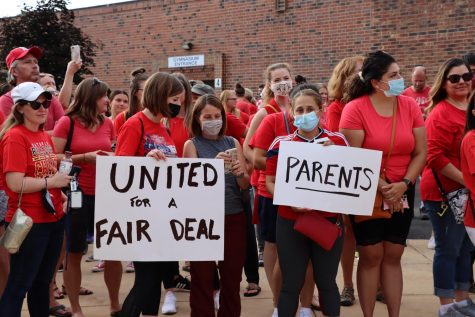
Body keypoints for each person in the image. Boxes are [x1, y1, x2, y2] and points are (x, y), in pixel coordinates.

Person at [340, 50, 427, 317]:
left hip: (402, 187)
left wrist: (404, 183)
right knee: (370, 256)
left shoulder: (409, 106)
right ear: (376, 82)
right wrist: (383, 187)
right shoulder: (355, 109)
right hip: (368, 189)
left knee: (393, 254)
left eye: (400, 73)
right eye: (395, 75)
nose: (401, 79)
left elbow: (421, 151)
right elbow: (352, 157)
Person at [266, 88, 348, 317]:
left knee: (327, 282)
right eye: (300, 110)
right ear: (292, 113)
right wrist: (288, 199)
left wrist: (338, 157)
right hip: (291, 221)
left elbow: (349, 182)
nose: (305, 114)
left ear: (320, 110)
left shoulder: (338, 141)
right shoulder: (281, 144)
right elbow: (270, 182)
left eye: (310, 109)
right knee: (291, 283)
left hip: (328, 221)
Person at [0, 82, 72, 316]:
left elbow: (47, 172)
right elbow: (15, 183)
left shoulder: (42, 134)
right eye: (35, 104)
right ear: (20, 108)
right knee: (20, 285)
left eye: (46, 102)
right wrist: (53, 183)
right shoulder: (14, 137)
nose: (43, 108)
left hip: (52, 218)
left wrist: (58, 193)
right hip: (30, 223)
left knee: (42, 284)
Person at [116, 72, 184, 317]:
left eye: (180, 100)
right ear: (159, 95)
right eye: (174, 98)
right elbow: (119, 169)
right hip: (141, 215)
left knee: (153, 279)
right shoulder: (135, 124)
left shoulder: (163, 127)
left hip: (162, 214)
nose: (178, 105)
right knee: (146, 280)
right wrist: (143, 160)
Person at [52, 77, 121, 317]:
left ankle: (115, 304)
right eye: (105, 95)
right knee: (75, 251)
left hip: (107, 194)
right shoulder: (66, 123)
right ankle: (77, 308)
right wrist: (84, 157)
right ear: (91, 98)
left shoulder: (108, 123)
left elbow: (112, 151)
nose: (108, 100)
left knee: (113, 250)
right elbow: (53, 158)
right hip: (76, 192)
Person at [183, 94, 249, 317]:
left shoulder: (233, 142)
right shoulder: (191, 145)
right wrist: (212, 166)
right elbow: (190, 183)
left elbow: (245, 183)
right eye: (207, 116)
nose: (213, 120)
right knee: (202, 276)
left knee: (231, 278)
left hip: (233, 217)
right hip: (202, 219)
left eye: (217, 116)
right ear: (197, 119)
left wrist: (240, 174)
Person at [419, 58, 475, 317]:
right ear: (444, 83)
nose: (462, 81)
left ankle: (462, 300)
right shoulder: (441, 112)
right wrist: (468, 180)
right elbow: (434, 156)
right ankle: (446, 305)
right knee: (448, 247)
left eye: (466, 76)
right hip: (444, 193)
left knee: (466, 247)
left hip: (468, 191)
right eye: (455, 78)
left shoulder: (470, 106)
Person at [325, 55, 364, 307]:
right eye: (358, 72)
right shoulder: (336, 108)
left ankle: (379, 284)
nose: (363, 76)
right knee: (349, 233)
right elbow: (336, 142)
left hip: (372, 174)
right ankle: (348, 285)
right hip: (348, 176)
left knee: (372, 237)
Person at [0, 47, 67, 131]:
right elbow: (11, 135)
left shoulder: (50, 98)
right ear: (14, 71)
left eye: (36, 62)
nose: (35, 66)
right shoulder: (6, 101)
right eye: (27, 62)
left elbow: (65, 131)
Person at [114, 68, 148, 135]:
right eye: (146, 90)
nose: (150, 93)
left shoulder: (157, 116)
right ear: (135, 92)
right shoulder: (122, 118)